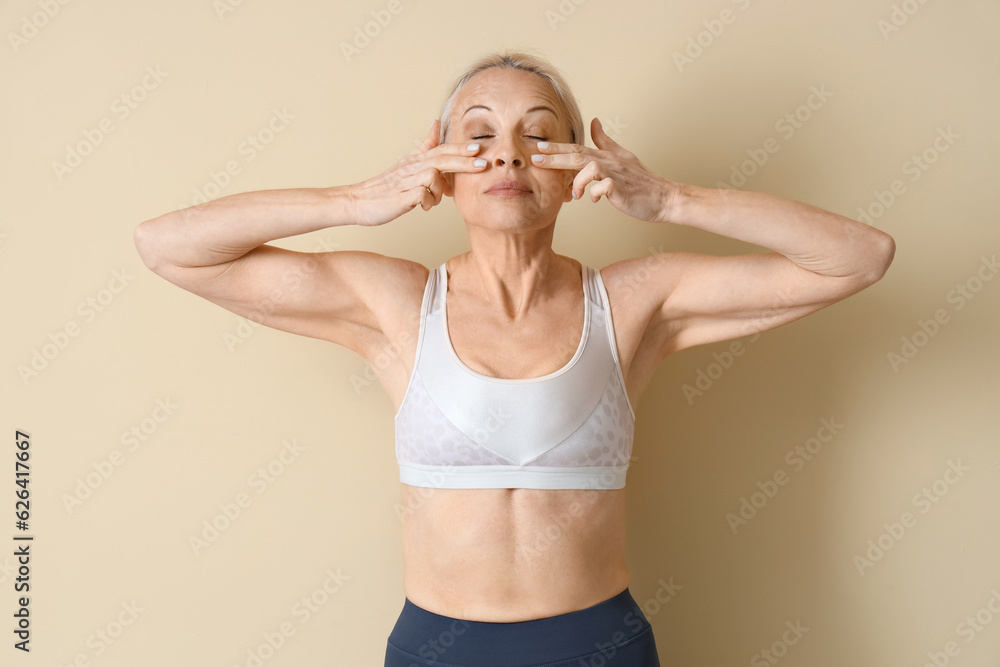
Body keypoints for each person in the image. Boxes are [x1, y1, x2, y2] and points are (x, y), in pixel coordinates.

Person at [133, 50, 895, 666]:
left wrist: (669, 201)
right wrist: (358, 200)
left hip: (596, 644)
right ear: (442, 160)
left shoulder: (633, 303)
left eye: (538, 133)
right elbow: (167, 247)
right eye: (477, 134)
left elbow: (860, 257)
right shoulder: (396, 306)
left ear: (572, 168)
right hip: (437, 648)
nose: (507, 153)